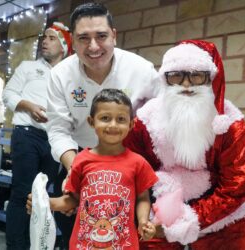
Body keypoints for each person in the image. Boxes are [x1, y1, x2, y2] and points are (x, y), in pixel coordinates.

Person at [123, 40, 245, 249]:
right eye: (176, 75)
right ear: (165, 79)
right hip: (161, 203)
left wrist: (188, 218)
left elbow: (234, 189)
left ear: (210, 78)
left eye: (196, 75)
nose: (186, 85)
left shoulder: (231, 124)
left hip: (220, 210)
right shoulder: (146, 119)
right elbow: (131, 167)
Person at [46, 3, 159, 246]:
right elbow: (58, 129)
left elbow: (160, 125)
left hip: (130, 168)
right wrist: (76, 169)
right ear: (73, 42)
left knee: (124, 236)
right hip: (77, 161)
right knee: (78, 235)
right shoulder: (60, 75)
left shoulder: (142, 71)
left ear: (114, 36)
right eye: (83, 38)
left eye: (101, 36)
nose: (93, 46)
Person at [30, 89, 158, 249]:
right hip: (83, 245)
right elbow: (73, 199)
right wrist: (46, 203)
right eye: (105, 118)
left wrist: (144, 221)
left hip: (123, 245)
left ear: (131, 124)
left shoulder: (139, 163)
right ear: (91, 122)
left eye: (121, 119)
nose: (113, 125)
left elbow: (143, 198)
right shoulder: (81, 160)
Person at [2, 21, 72, 249]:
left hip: (54, 141)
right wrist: (28, 106)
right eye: (44, 37)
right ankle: (15, 246)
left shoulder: (69, 74)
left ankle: (36, 243)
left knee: (41, 195)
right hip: (27, 135)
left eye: (52, 38)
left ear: (63, 46)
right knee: (22, 192)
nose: (45, 41)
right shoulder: (28, 67)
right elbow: (8, 94)